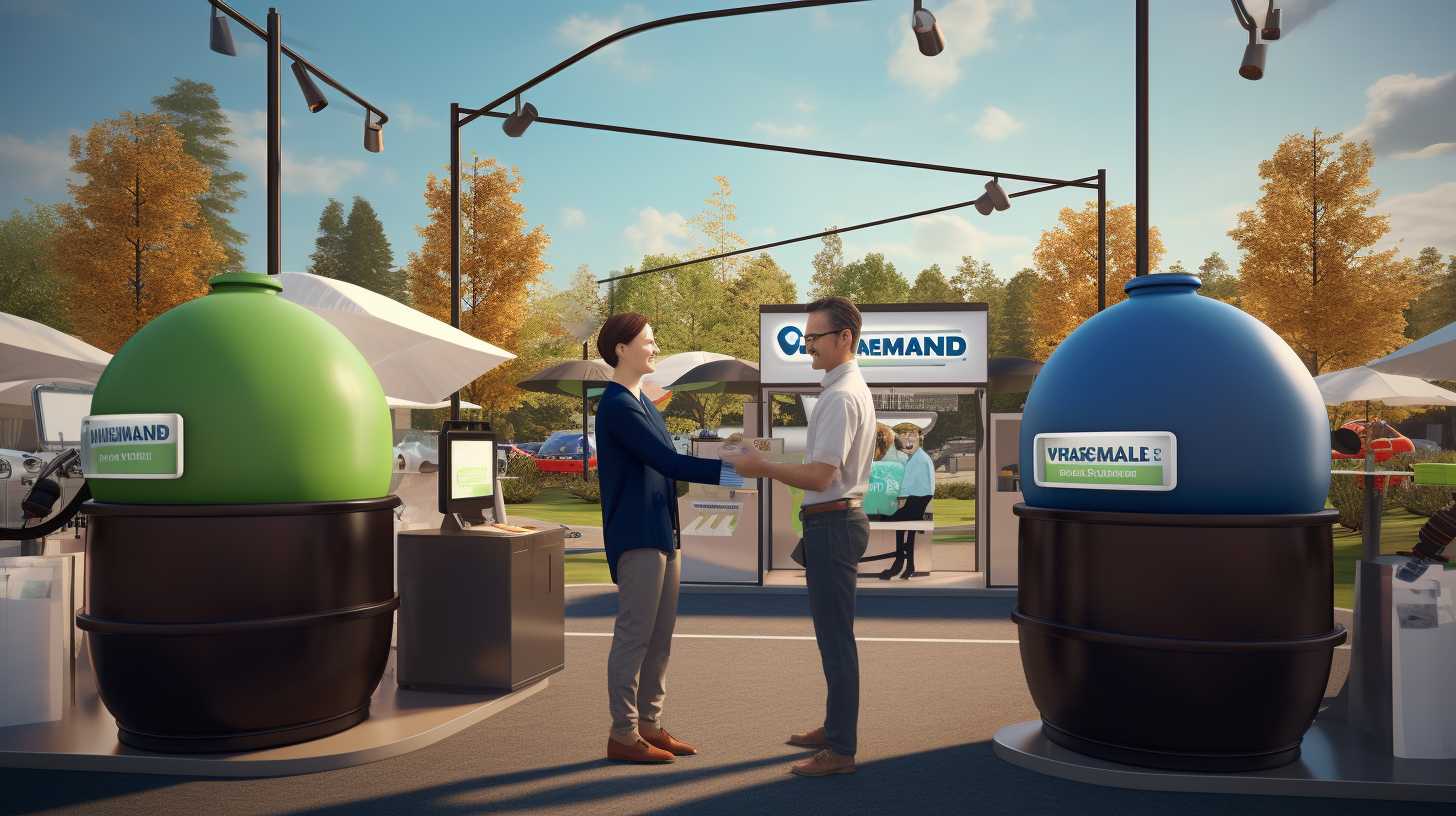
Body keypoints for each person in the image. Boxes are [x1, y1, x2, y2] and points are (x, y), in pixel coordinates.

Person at [724, 296, 875, 778]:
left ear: (844, 338)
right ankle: (834, 730)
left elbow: (819, 476)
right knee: (833, 637)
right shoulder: (845, 389)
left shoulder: (839, 396)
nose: (806, 344)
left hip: (833, 522)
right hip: (834, 522)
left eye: (814, 336)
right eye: (805, 336)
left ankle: (841, 750)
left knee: (836, 640)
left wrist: (761, 465)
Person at [594, 312, 743, 765]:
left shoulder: (644, 404)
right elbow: (668, 462)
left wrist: (732, 451)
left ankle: (649, 725)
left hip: (662, 531)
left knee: (660, 637)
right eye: (649, 341)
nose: (655, 348)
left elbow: (670, 466)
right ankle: (622, 733)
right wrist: (739, 468)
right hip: (637, 534)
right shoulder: (618, 406)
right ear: (621, 348)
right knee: (634, 636)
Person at [878, 422, 935, 580]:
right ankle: (903, 564)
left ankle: (901, 564)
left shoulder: (920, 460)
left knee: (883, 517)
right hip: (913, 504)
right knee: (897, 523)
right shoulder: (914, 458)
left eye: (910, 435)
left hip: (915, 505)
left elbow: (906, 487)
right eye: (902, 436)